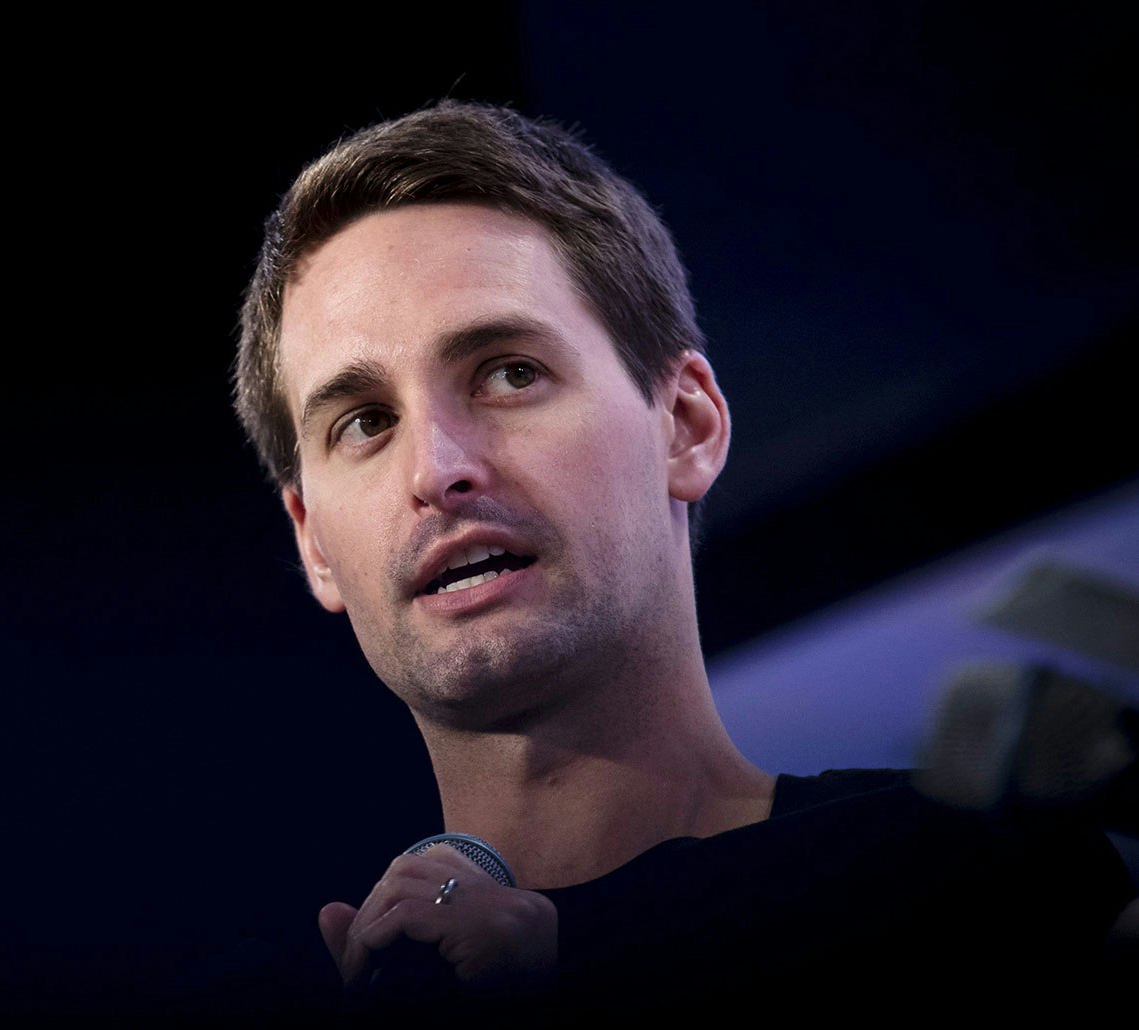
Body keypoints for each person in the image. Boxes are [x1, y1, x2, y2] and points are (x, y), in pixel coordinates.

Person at [209, 99, 1137, 1024]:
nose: (438, 469)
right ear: (314, 543)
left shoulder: (970, 885)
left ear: (686, 426)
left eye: (508, 372)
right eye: (366, 423)